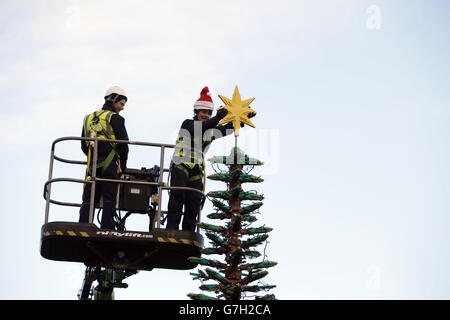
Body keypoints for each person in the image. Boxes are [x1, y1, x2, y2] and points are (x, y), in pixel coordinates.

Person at [166, 86, 234, 232]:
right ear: (196, 112)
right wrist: (218, 117)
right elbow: (200, 127)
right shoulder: (187, 124)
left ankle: (188, 232)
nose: (206, 115)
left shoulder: (210, 131)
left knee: (194, 201)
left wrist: (239, 120)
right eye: (203, 112)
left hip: (196, 169)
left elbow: (226, 129)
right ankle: (172, 229)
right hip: (180, 165)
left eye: (209, 113)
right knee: (177, 196)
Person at [79, 86, 129, 229]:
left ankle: (83, 226)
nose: (123, 108)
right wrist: (123, 166)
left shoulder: (88, 118)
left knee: (89, 198)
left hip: (92, 164)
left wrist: (93, 157)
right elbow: (124, 144)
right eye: (121, 103)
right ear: (113, 100)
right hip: (110, 163)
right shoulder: (115, 118)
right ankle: (107, 228)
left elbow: (84, 145)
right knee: (109, 198)